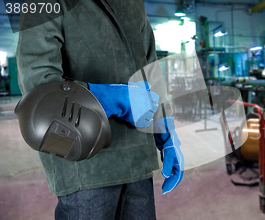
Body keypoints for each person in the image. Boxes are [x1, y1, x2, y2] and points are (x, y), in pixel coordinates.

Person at [16, 0, 183, 219]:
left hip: (137, 158)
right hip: (84, 165)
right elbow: (38, 91)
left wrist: (167, 136)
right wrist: (114, 98)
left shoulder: (133, 4)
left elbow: (151, 71)